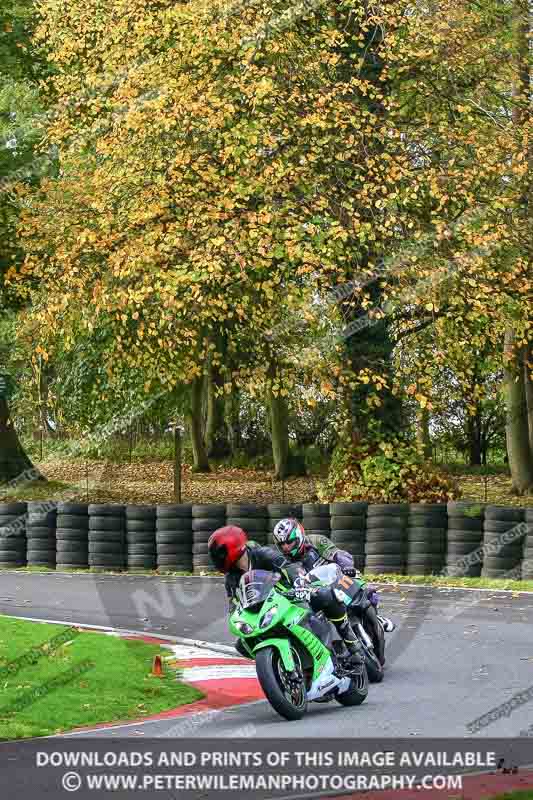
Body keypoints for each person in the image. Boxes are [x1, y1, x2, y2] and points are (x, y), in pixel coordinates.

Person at [207, 525, 365, 672]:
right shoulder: (231, 578)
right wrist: (237, 617)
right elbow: (234, 604)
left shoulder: (261, 554)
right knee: (241, 644)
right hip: (266, 610)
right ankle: (281, 668)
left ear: (231, 550)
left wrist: (298, 581)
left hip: (291, 594)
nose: (216, 560)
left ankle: (352, 645)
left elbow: (288, 566)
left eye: (218, 555)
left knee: (326, 595)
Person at [272, 518, 395, 662]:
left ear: (299, 536)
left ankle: (376, 619)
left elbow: (337, 554)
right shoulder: (282, 561)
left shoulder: (315, 541)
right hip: (317, 594)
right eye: (281, 544)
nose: (286, 547)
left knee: (368, 594)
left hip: (339, 578)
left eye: (289, 542)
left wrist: (346, 565)